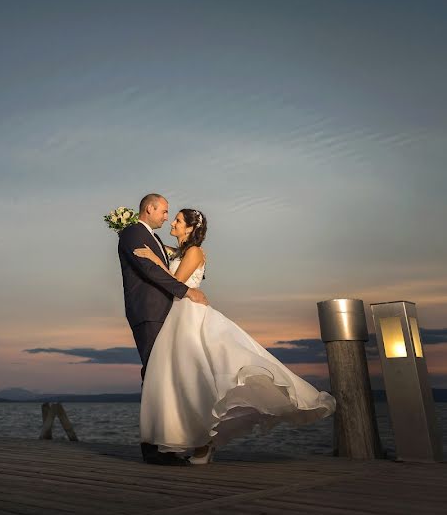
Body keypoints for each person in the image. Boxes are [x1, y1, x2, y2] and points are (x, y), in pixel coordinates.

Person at [133, 208, 335, 465]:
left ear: (190, 228)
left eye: (178, 220)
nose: (172, 221)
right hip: (178, 315)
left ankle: (205, 444)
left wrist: (152, 257)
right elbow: (173, 257)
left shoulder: (194, 252)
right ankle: (197, 440)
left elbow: (176, 280)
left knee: (201, 375)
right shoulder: (183, 251)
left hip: (190, 315)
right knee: (185, 379)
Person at [118, 193, 209, 466]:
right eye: (166, 212)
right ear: (150, 208)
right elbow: (149, 269)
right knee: (156, 376)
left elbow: (166, 261)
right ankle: (156, 447)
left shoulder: (159, 241)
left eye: (175, 217)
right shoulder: (133, 233)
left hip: (168, 315)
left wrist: (165, 263)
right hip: (150, 312)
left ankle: (169, 442)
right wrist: (186, 291)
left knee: (165, 377)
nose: (168, 218)